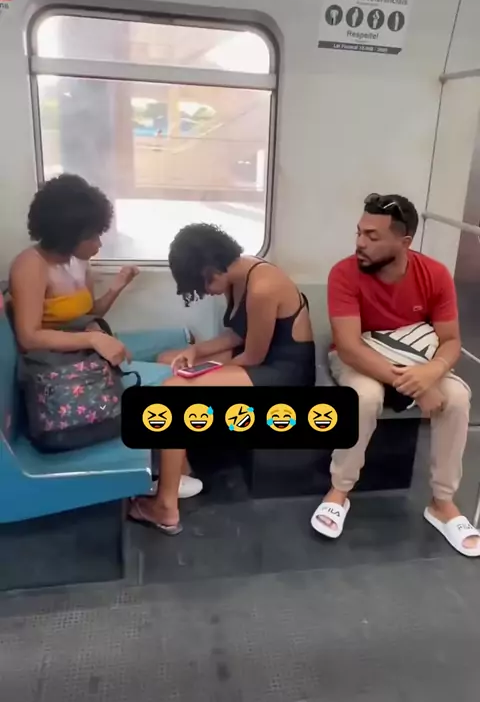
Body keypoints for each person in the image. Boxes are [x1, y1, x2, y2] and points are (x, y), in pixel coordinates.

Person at [9, 174, 201, 498]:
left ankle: (174, 469)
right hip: (56, 368)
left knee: (176, 353)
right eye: (92, 236)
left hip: (82, 352)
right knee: (171, 384)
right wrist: (93, 339)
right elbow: (29, 337)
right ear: (68, 235)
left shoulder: (78, 263)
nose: (98, 244)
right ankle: (170, 480)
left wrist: (117, 287)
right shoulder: (31, 266)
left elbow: (89, 311)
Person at [311, 192, 480, 558]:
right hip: (359, 356)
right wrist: (416, 387)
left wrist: (431, 373)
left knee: (458, 397)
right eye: (359, 232)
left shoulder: (434, 274)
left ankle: (442, 502)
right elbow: (349, 346)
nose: (360, 243)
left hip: (413, 357)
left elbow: (451, 341)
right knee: (365, 396)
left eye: (372, 236)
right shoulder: (344, 273)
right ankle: (339, 490)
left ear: (404, 242)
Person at [128, 222, 316, 533]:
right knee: (167, 361)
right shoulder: (237, 277)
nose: (204, 293)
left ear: (212, 269)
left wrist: (204, 372)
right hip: (258, 358)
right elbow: (238, 334)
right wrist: (195, 352)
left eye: (202, 285)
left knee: (174, 392)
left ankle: (165, 507)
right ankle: (181, 467)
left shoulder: (262, 287)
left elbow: (253, 357)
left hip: (284, 372)